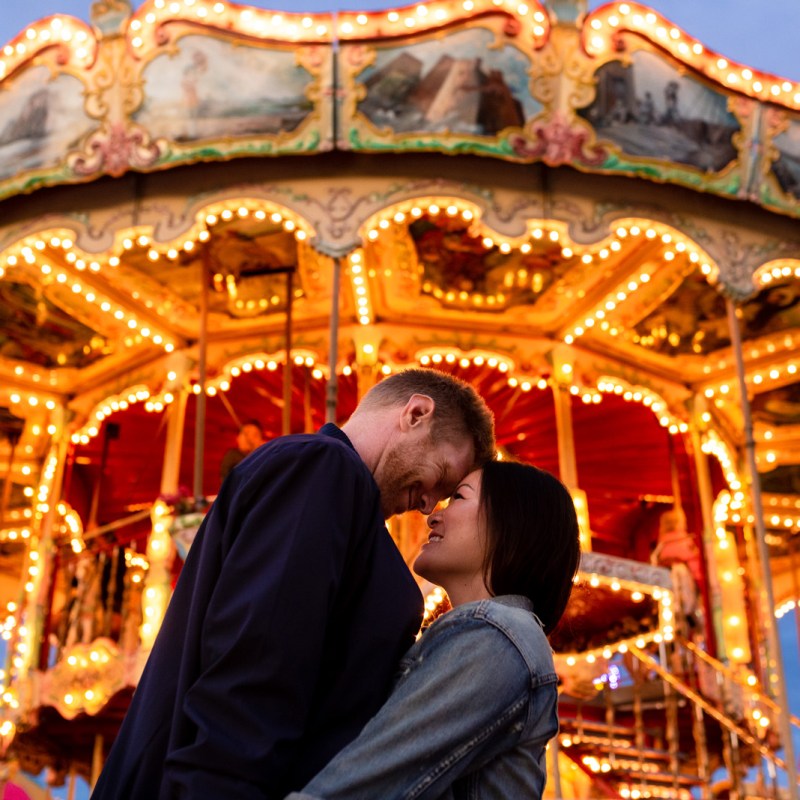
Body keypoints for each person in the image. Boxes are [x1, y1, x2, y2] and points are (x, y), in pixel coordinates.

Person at [91, 368, 495, 800]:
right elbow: (256, 667)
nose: (429, 504)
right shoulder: (323, 468)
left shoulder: (340, 494)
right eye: (442, 474)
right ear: (416, 413)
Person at [287, 459, 581, 800]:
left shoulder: (495, 635)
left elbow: (368, 781)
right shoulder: (495, 634)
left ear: (510, 522)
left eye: (458, 497)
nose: (433, 516)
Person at [219, 419, 266, 483]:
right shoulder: (232, 455)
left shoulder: (264, 457)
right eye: (246, 433)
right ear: (238, 438)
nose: (249, 438)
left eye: (255, 435)